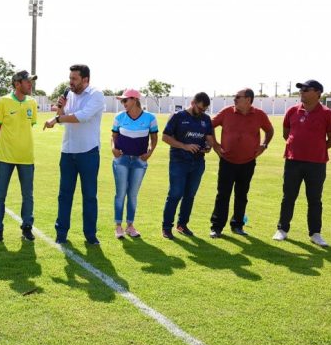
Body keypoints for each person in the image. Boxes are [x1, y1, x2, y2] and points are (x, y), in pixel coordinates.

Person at [273, 80, 331, 247]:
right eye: (301, 89)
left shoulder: (328, 114)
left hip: (316, 163)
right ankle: (282, 229)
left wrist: (316, 148)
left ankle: (315, 233)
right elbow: (286, 133)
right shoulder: (292, 111)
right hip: (293, 161)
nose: (301, 92)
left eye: (306, 89)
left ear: (318, 93)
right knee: (288, 197)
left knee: (315, 199)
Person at [43, 64, 104, 245]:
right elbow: (63, 119)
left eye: (74, 79)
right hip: (68, 152)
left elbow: (82, 116)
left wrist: (56, 118)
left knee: (89, 196)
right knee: (64, 195)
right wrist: (60, 109)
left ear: (85, 79)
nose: (70, 82)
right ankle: (61, 234)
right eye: (70, 78)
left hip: (88, 152)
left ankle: (90, 235)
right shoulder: (68, 94)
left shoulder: (96, 95)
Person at [208, 88, 274, 238]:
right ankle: (216, 227)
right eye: (235, 96)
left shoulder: (259, 115)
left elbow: (269, 131)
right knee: (223, 194)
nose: (235, 99)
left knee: (242, 195)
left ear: (248, 99)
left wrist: (264, 145)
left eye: (238, 97)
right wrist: (215, 144)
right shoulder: (227, 112)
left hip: (248, 162)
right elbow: (210, 125)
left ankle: (237, 225)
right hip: (227, 161)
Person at [0, 70, 38, 242]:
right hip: (5, 157)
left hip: (27, 157)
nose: (30, 85)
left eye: (30, 82)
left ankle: (27, 227)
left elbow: (29, 125)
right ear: (17, 84)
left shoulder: (32, 103)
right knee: (0, 194)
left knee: (28, 195)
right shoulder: (4, 101)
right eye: (27, 82)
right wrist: (8, 143)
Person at [161, 92, 214, 239]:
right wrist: (184, 146)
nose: (202, 112)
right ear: (193, 103)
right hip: (179, 161)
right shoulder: (178, 116)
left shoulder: (206, 119)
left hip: (198, 163)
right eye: (200, 108)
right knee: (175, 194)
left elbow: (209, 139)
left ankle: (182, 225)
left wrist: (208, 147)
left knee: (190, 195)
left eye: (205, 110)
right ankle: (166, 227)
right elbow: (165, 137)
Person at [109, 89, 158, 239]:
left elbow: (154, 138)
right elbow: (113, 136)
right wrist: (113, 149)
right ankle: (118, 226)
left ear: (135, 100)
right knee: (121, 193)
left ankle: (130, 226)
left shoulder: (150, 118)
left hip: (139, 162)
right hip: (121, 160)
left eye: (125, 100)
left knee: (133, 194)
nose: (123, 103)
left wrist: (149, 153)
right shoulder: (119, 117)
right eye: (122, 101)